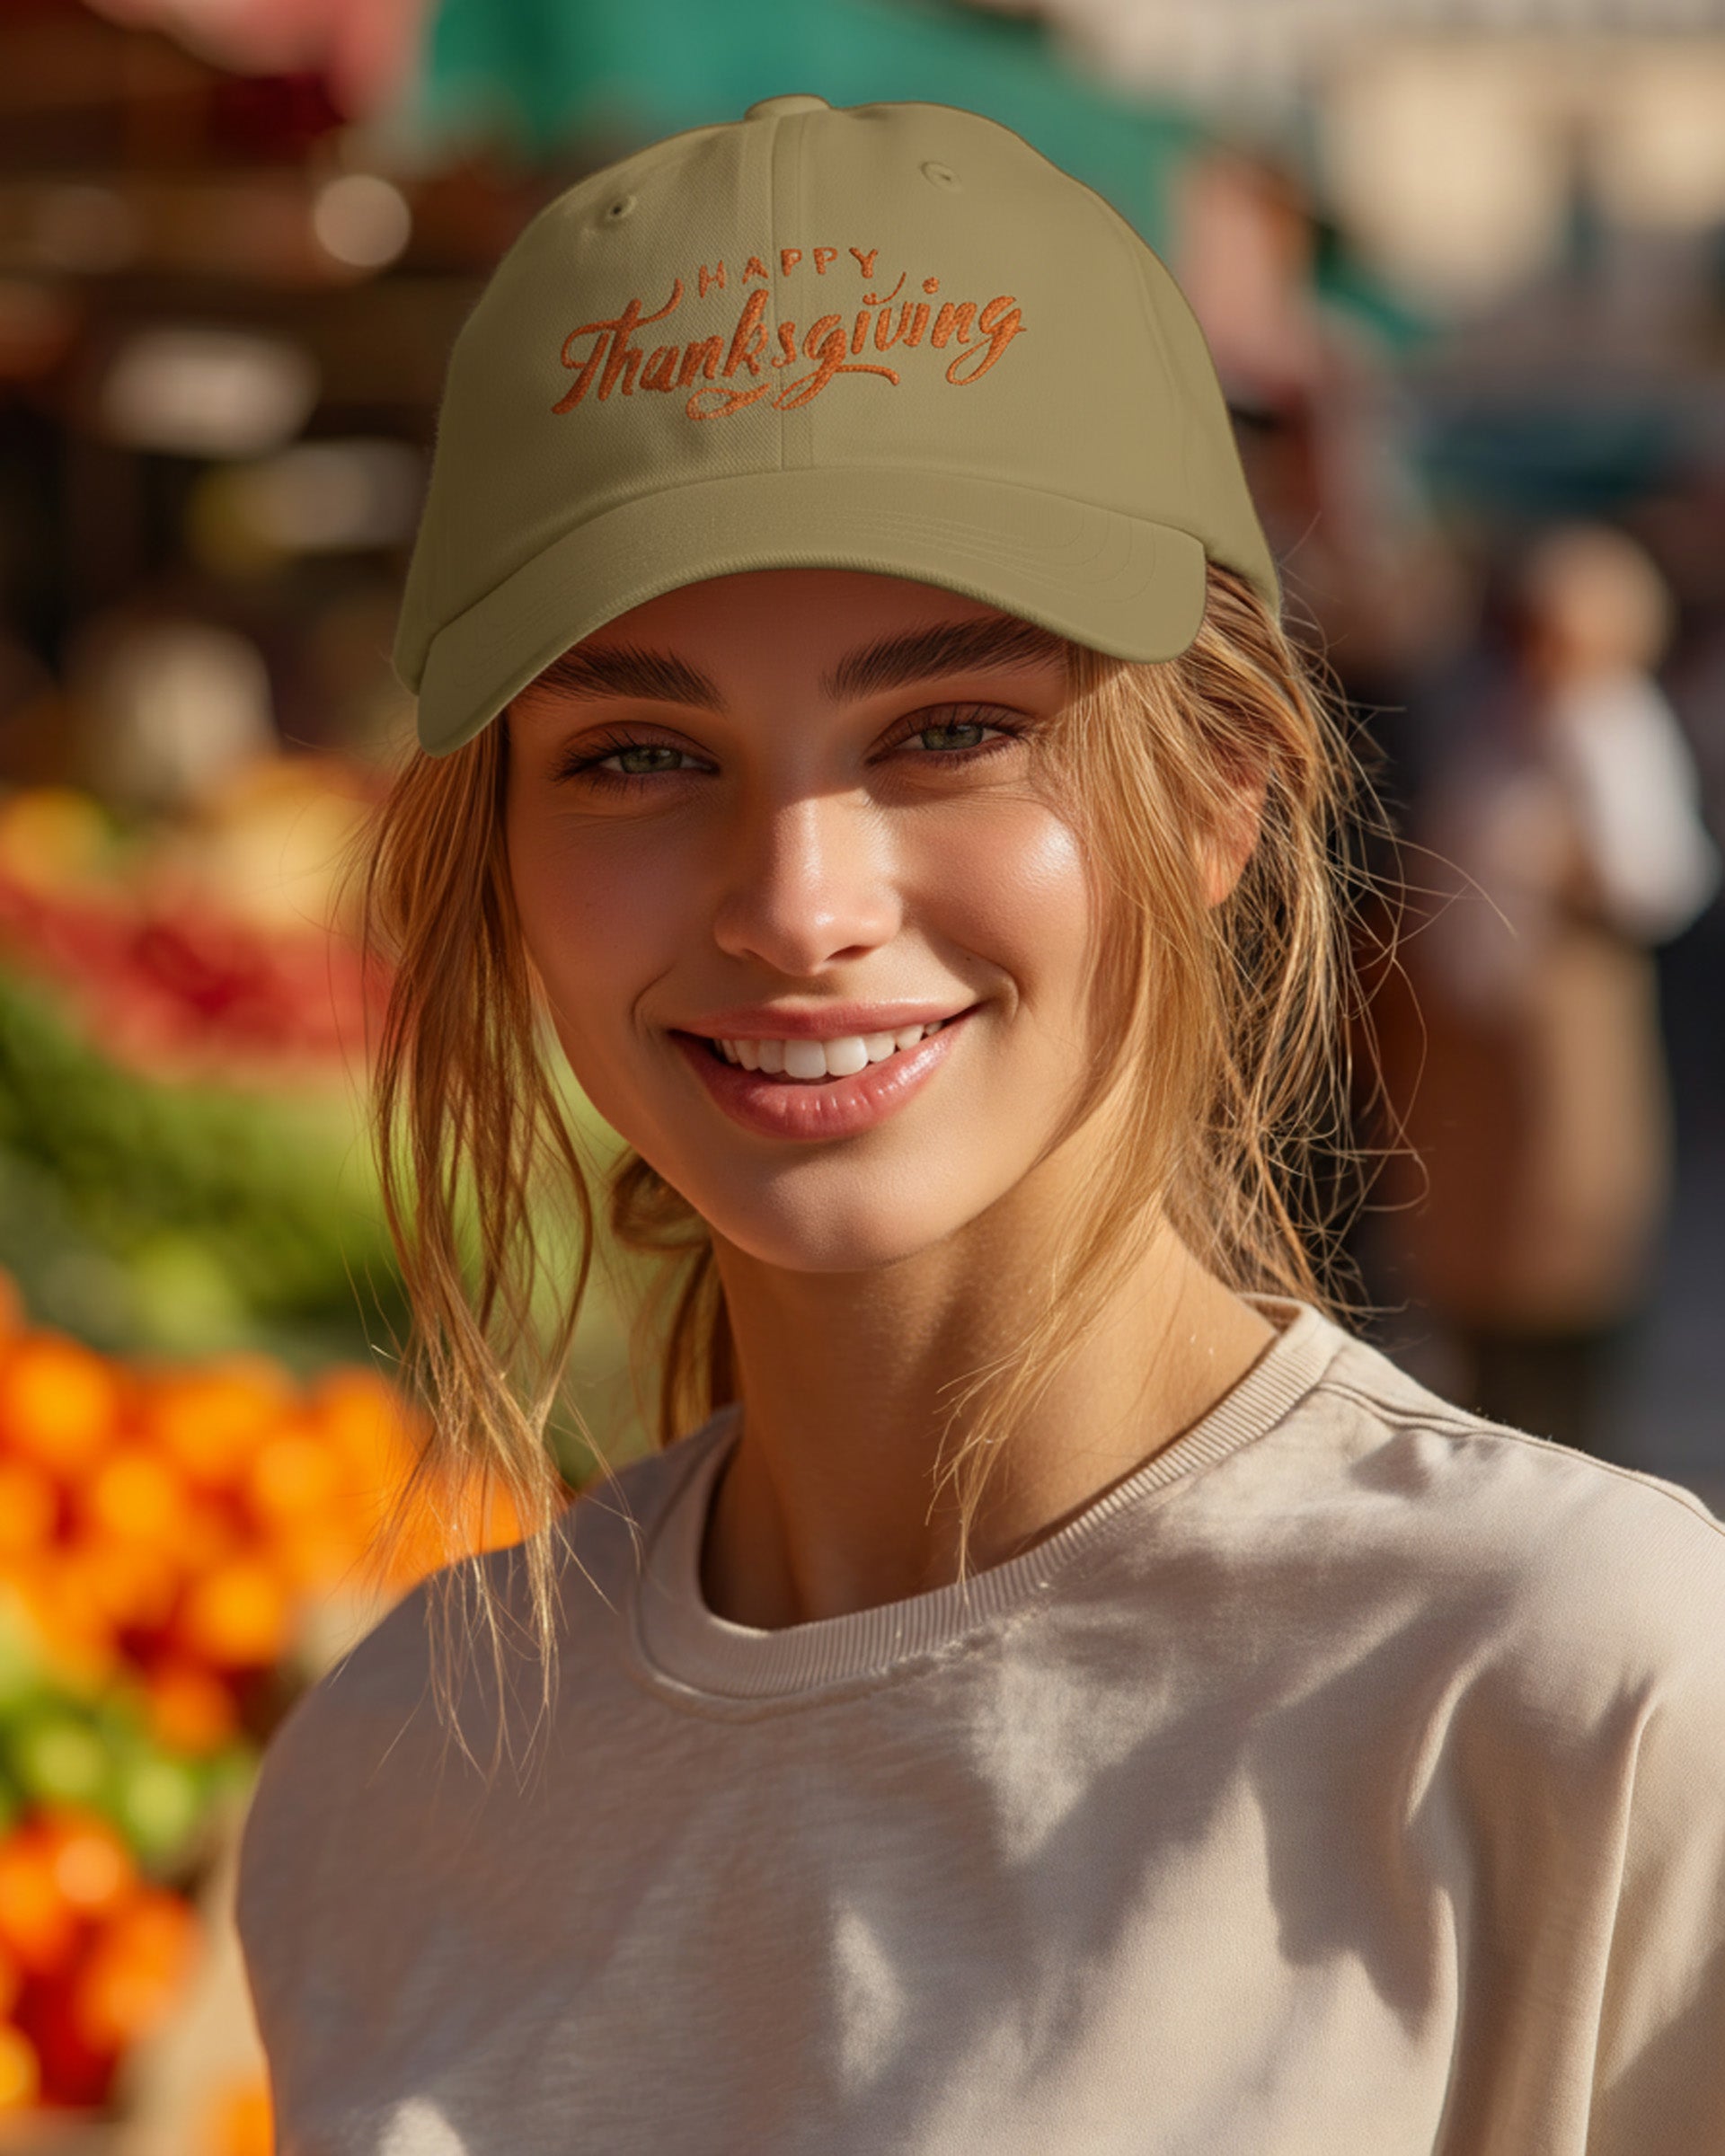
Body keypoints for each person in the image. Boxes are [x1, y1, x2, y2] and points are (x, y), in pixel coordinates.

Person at [235, 98, 1725, 2155]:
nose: (796, 897)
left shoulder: (1572, 1690)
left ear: (1222, 789)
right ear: (490, 856)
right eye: (638, 748)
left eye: (948, 727)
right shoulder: (391, 1773)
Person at [1381, 524, 1719, 1454]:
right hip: (1474, 1035)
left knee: (1566, 1255)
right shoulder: (1496, 714)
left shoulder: (1610, 724)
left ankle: (1565, 1441)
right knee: (1478, 1262)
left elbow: (1658, 873)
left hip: (1564, 1030)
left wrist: (1570, 872)